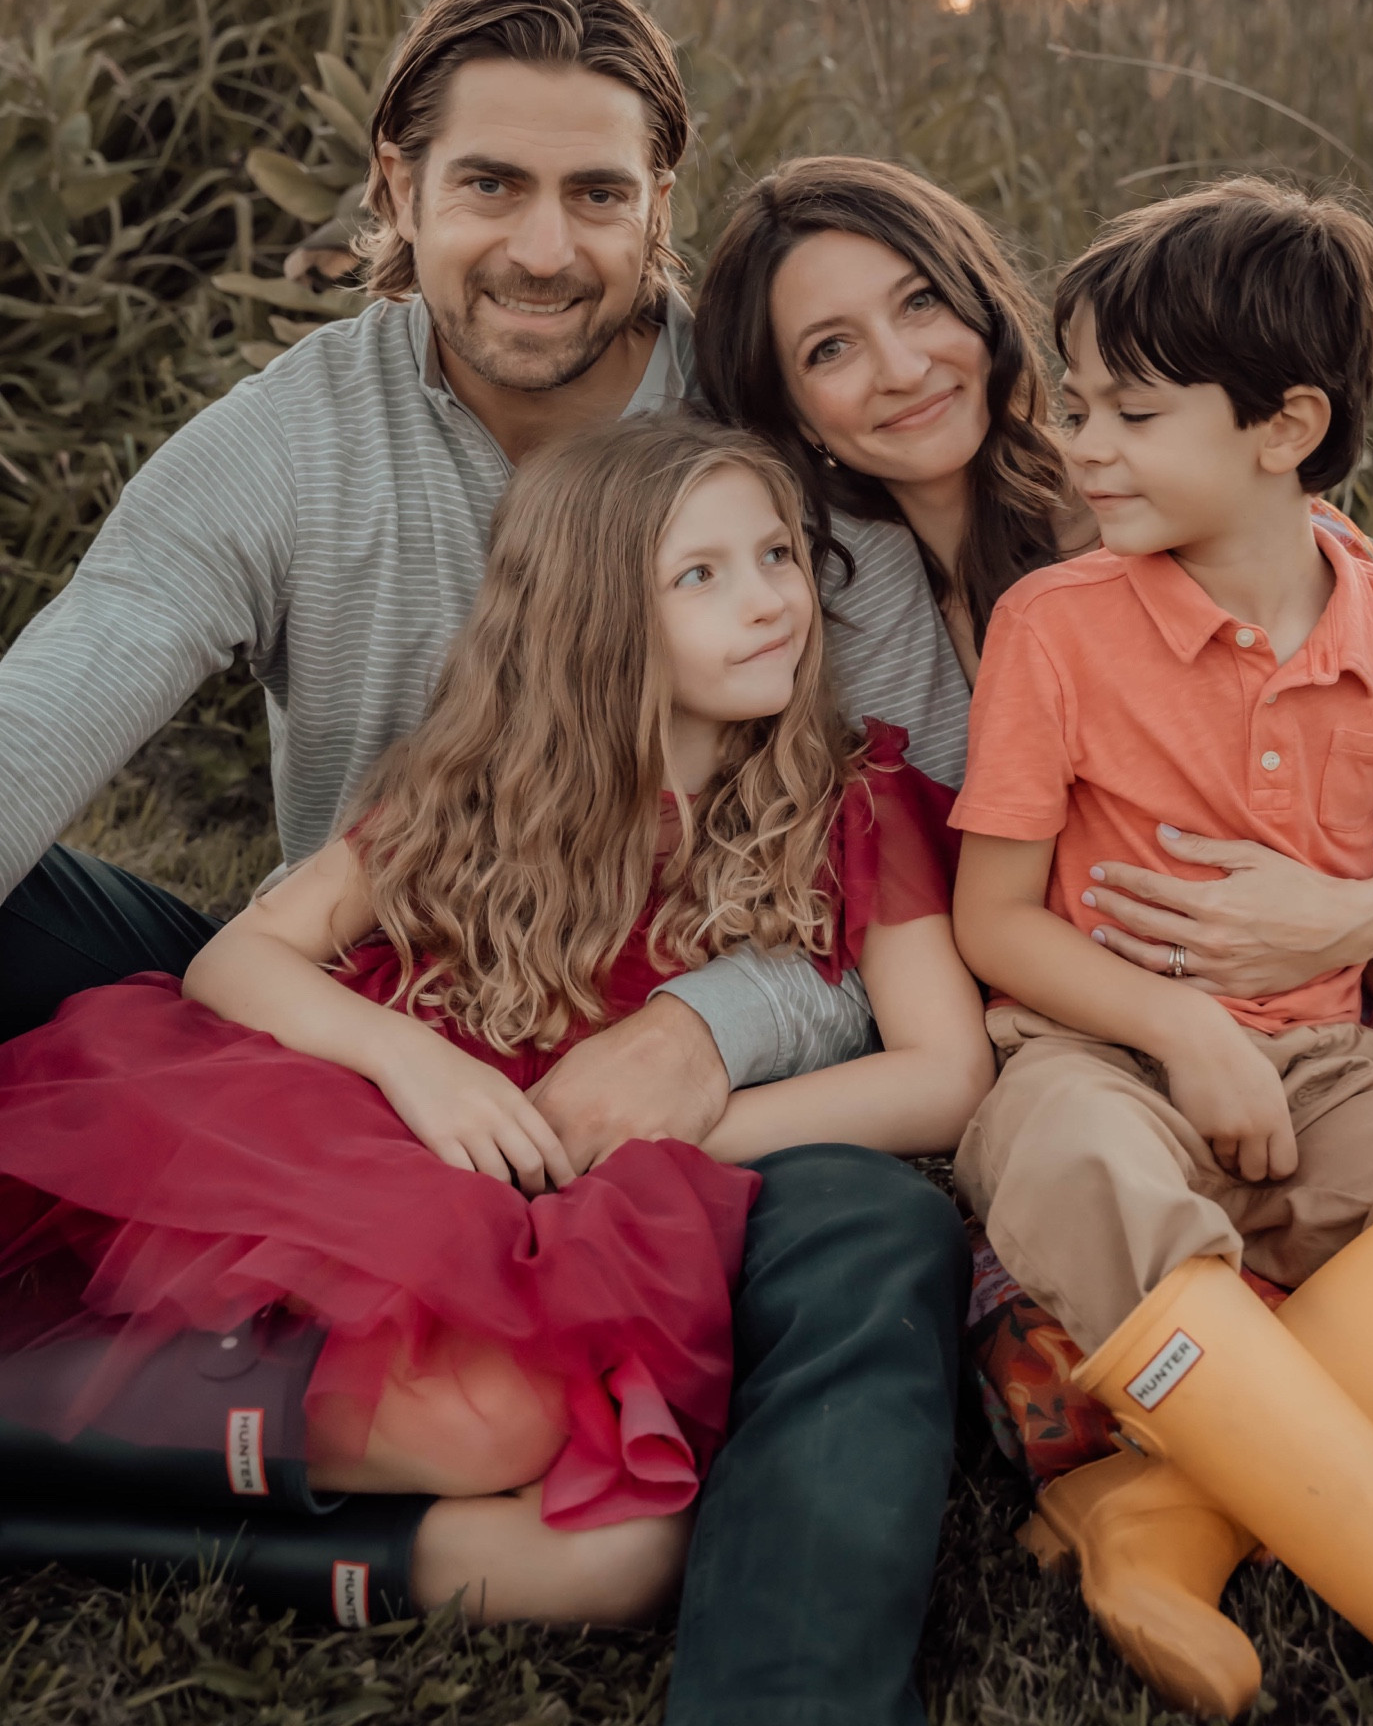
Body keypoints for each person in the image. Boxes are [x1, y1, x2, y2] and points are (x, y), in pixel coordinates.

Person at [0, 0, 974, 1726]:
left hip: (692, 1065)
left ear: (657, 202)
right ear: (398, 190)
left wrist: (722, 1024)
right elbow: (53, 707)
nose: (545, 246)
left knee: (867, 1247)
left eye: (596, 193)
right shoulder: (289, 442)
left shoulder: (766, 439)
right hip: (398, 986)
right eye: (489, 187)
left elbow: (922, 836)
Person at [0, 413, 992, 1631]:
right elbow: (237, 957)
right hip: (384, 1143)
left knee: (615, 1557)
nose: (767, 600)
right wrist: (410, 1059)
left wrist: (676, 1137)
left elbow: (943, 1071)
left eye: (776, 554)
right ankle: (76, 1421)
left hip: (600, 1195)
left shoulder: (853, 796)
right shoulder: (470, 784)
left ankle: (70, 1512)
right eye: (700, 573)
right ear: (594, 617)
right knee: (494, 1419)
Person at [946, 178, 1373, 1724]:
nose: (1082, 445)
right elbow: (995, 922)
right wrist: (1179, 1032)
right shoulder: (1055, 628)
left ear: (1284, 426)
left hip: (1325, 1071)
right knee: (1070, 1165)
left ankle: (1165, 1513)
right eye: (1076, 403)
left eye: (1130, 410)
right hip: (1097, 1054)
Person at [693, 153, 1373, 1005]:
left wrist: (1332, 924)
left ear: (980, 305)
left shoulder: (1176, 501)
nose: (903, 368)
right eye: (830, 348)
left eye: (921, 301)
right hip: (1074, 1019)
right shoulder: (807, 601)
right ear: (790, 410)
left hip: (1344, 972)